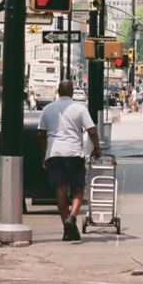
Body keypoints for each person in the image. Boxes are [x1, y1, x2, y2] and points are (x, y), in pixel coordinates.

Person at [37, 80, 102, 241]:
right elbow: (92, 130)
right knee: (78, 189)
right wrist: (97, 147)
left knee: (60, 189)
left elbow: (40, 134)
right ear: (72, 92)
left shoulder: (47, 109)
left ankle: (67, 229)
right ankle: (72, 217)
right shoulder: (80, 109)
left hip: (54, 153)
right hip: (74, 153)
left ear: (58, 92)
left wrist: (44, 153)